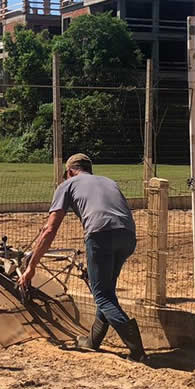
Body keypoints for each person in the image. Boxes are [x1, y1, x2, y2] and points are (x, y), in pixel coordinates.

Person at [18, 153, 147, 361]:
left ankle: (138, 351)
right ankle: (93, 341)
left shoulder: (67, 185)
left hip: (100, 236)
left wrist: (31, 266)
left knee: (103, 296)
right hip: (128, 237)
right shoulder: (108, 181)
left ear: (69, 172)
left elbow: (50, 229)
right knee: (106, 292)